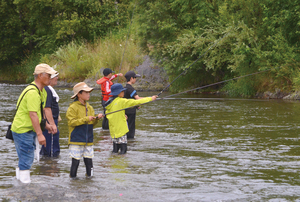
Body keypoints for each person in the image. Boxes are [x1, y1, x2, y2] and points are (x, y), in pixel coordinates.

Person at [11, 63, 57, 183]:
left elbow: (39, 113)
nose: (51, 77)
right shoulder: (32, 92)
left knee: (25, 157)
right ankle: (25, 187)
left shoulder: (42, 91)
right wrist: (40, 134)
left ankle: (20, 184)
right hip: (23, 129)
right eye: (49, 75)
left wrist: (47, 126)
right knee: (27, 158)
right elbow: (33, 115)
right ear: (40, 76)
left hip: (26, 129)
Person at [105, 83, 157, 154]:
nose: (123, 93)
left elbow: (112, 116)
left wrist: (122, 116)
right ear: (118, 93)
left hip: (113, 132)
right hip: (121, 130)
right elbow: (136, 102)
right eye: (122, 91)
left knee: (115, 151)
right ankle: (122, 164)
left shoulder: (109, 103)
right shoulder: (121, 101)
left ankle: (114, 163)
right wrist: (151, 98)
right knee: (123, 151)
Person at [66, 82, 103, 178]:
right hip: (76, 140)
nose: (88, 94)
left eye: (89, 92)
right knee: (75, 163)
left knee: (89, 164)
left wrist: (97, 119)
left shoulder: (90, 107)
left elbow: (92, 124)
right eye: (86, 92)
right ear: (79, 94)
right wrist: (86, 119)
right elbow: (72, 122)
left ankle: (90, 181)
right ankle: (73, 181)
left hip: (88, 140)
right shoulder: (72, 108)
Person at [40, 70, 60, 157]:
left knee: (49, 145)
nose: (57, 78)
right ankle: (50, 166)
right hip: (50, 123)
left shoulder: (47, 89)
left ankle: (47, 164)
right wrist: (51, 124)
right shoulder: (47, 89)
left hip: (50, 121)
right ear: (49, 79)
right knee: (50, 148)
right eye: (54, 76)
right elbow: (46, 108)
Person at [124, 70, 142, 139]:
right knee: (131, 128)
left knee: (126, 126)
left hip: (125, 110)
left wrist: (137, 105)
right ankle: (130, 141)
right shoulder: (130, 88)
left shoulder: (125, 88)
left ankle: (127, 140)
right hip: (131, 112)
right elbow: (137, 98)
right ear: (131, 78)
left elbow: (129, 98)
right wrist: (151, 98)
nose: (135, 79)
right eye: (135, 78)